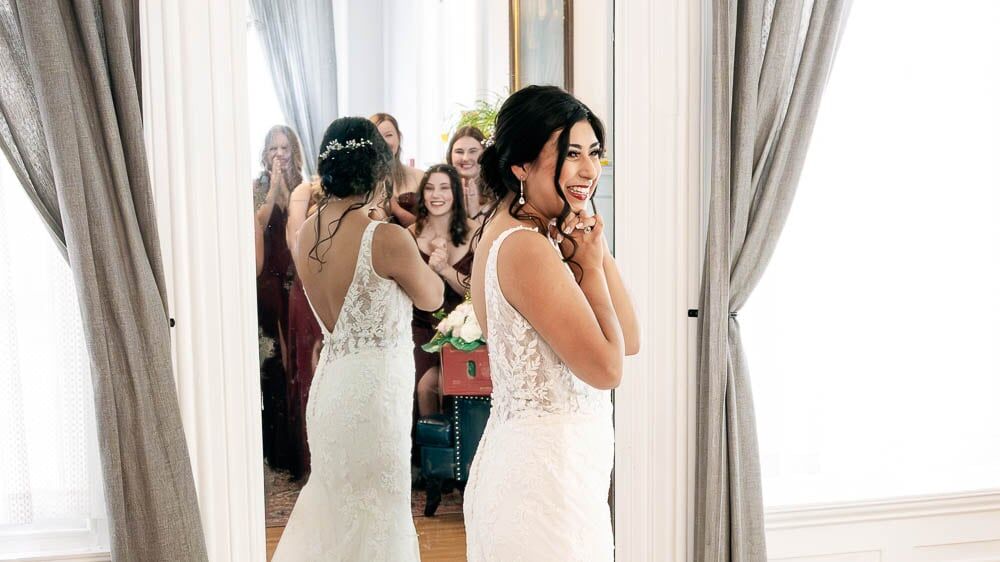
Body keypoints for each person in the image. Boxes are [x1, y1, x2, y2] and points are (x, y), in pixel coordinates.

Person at [463, 86, 641, 561]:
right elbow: (607, 368)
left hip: (559, 480)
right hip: (543, 492)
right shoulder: (525, 246)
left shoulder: (536, 232)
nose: (589, 170)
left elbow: (630, 338)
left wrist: (592, 254)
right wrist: (586, 265)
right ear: (521, 166)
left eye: (594, 154)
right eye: (570, 154)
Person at [271, 117, 443, 561]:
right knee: (378, 516)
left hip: (330, 389)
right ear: (377, 171)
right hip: (374, 398)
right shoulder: (385, 237)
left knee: (334, 511)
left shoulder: (308, 231)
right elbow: (431, 296)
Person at [407, 164, 477, 417]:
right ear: (423, 195)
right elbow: (409, 292)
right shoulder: (408, 236)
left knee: (450, 386)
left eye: (444, 188)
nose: (437, 195)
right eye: (430, 188)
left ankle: (459, 455)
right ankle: (425, 455)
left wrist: (446, 269)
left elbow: (477, 291)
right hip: (422, 329)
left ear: (456, 193)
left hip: (466, 331)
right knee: (425, 387)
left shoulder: (476, 233)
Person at [253, 125, 303, 474]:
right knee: (276, 359)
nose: (280, 154)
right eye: (274, 148)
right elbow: (258, 223)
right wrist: (272, 188)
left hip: (295, 276)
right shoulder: (256, 187)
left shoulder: (304, 185)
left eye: (285, 147)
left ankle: (296, 447)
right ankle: (273, 447)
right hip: (267, 280)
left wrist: (288, 188)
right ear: (265, 152)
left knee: (297, 359)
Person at [371, 112, 424, 226]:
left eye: (389, 135)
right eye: (377, 137)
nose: (384, 142)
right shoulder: (359, 183)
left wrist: (397, 210)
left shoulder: (420, 177)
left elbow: (430, 227)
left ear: (399, 137)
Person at [446, 126, 487, 219]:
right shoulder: (440, 192)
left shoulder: (498, 196)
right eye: (459, 152)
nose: (465, 158)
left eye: (473, 151)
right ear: (450, 156)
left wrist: (475, 213)